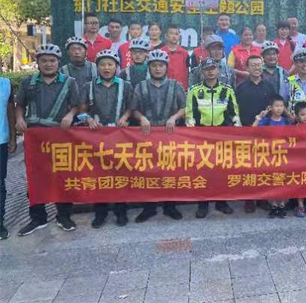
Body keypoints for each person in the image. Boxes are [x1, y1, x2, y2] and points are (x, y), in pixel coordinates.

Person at [16, 44, 80, 236]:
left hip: (59, 136)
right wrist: (19, 118)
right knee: (35, 177)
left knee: (62, 176)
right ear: (37, 62)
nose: (48, 64)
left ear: (58, 62)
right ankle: (38, 218)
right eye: (44, 60)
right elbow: (20, 105)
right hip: (35, 137)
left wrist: (70, 115)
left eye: (52, 60)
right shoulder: (28, 82)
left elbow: (76, 105)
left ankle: (64, 215)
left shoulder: (69, 82)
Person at [131, 49, 186, 223]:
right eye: (154, 65)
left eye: (161, 65)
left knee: (170, 171)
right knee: (149, 171)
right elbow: (134, 109)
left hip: (170, 135)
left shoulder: (176, 86)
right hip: (148, 135)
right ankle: (149, 208)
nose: (157, 69)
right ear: (149, 67)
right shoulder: (140, 86)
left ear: (166, 67)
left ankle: (170, 206)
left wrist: (174, 117)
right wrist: (141, 118)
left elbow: (184, 108)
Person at [82, 49, 133, 228]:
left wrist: (125, 117)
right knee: (99, 175)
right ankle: (100, 213)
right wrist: (88, 119)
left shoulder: (125, 86)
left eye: (110, 64)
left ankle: (121, 211)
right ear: (97, 67)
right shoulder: (88, 86)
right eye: (103, 64)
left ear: (116, 67)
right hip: (96, 138)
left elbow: (132, 107)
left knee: (119, 174)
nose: (106, 68)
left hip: (119, 137)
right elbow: (81, 110)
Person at [186, 58, 240, 218]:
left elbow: (234, 113)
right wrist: (193, 133)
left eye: (213, 68)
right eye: (206, 69)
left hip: (221, 136)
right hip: (201, 136)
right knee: (202, 171)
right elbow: (190, 114)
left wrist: (237, 131)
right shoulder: (194, 90)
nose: (210, 72)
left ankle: (221, 202)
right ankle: (203, 203)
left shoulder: (227, 90)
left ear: (218, 70)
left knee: (221, 170)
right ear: (202, 72)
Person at [235, 55, 276, 213]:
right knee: (248, 166)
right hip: (247, 131)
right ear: (247, 68)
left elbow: (275, 107)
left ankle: (263, 198)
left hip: (266, 132)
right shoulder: (240, 87)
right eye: (253, 65)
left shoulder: (269, 87)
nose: (257, 68)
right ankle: (249, 199)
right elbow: (235, 109)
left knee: (264, 166)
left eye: (259, 65)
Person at [252, 95, 292, 219]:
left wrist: (288, 112)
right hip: (270, 156)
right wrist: (260, 117)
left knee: (284, 180)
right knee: (271, 180)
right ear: (271, 107)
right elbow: (253, 129)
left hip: (284, 155)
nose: (279, 108)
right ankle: (273, 204)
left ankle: (282, 204)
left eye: (281, 106)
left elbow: (295, 131)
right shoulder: (266, 121)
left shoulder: (286, 121)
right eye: (276, 106)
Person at [0, 76, 16, 240]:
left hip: (1, 141)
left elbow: (11, 112)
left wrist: (13, 137)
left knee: (0, 184)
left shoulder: (6, 84)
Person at [160, 24, 189, 90]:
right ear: (166, 36)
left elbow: (188, 72)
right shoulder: (161, 52)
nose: (174, 36)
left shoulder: (185, 53)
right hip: (164, 88)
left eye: (176, 34)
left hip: (181, 89)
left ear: (179, 36)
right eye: (171, 33)